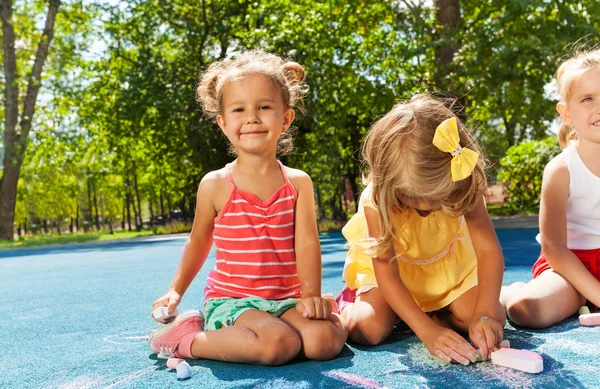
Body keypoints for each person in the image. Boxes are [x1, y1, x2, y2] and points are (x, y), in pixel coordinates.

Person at [149, 49, 347, 365]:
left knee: (323, 342)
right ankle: (187, 339)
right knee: (277, 345)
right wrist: (175, 291)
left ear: (285, 118)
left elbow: (307, 243)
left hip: (288, 300)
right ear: (223, 123)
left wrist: (311, 296)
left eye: (264, 107)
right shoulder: (215, 184)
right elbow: (199, 241)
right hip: (234, 302)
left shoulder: (298, 183)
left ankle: (326, 312)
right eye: (239, 109)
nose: (252, 117)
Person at [336, 94, 506, 364]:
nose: (425, 204)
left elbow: (488, 251)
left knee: (492, 318)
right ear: (389, 183)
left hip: (446, 271)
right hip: (392, 276)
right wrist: (427, 333)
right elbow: (387, 274)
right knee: (366, 329)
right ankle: (352, 303)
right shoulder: (377, 201)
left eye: (435, 195)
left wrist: (484, 313)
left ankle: (430, 312)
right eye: (410, 196)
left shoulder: (464, 183)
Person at [501, 48, 600, 328]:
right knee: (526, 309)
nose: (599, 107)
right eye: (588, 99)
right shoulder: (560, 169)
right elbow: (554, 247)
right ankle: (511, 291)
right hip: (567, 267)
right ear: (566, 113)